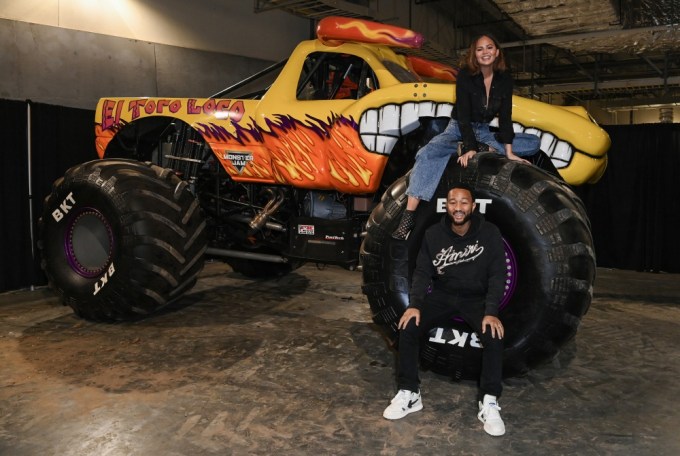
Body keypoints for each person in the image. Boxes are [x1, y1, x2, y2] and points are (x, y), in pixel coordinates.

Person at [383, 184, 507, 437]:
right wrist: (415, 305)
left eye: (463, 203)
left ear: (473, 206)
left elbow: (498, 274)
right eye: (453, 202)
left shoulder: (490, 233)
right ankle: (410, 392)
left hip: (475, 299)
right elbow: (422, 272)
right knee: (408, 327)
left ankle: (489, 400)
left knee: (494, 336)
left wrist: (491, 310)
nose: (458, 208)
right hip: (443, 296)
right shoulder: (433, 234)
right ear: (446, 206)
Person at [393, 34, 541, 239]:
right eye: (480, 49)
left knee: (533, 143)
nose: (485, 52)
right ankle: (408, 217)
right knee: (428, 152)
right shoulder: (465, 75)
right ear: (474, 54)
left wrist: (509, 152)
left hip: (484, 132)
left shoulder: (505, 79)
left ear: (497, 52)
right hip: (458, 128)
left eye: (489, 48)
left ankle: (484, 147)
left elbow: (505, 116)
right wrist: (471, 147)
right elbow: (463, 115)